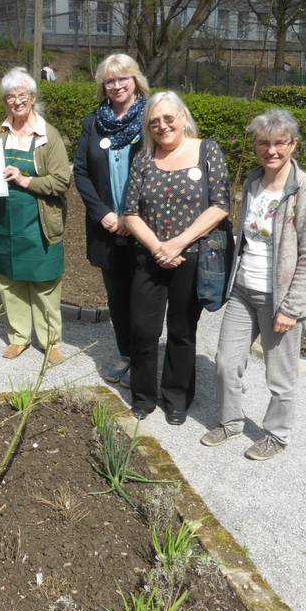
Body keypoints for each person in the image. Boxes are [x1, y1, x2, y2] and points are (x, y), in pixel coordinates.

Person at [201, 109, 306, 460]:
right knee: (226, 363)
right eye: (263, 143)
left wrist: (292, 308)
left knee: (280, 376)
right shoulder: (253, 181)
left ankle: (276, 434)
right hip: (243, 290)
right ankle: (230, 422)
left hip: (280, 298)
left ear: (293, 144)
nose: (271, 150)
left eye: (279, 143)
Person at [124, 91, 229, 425]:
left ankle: (177, 398)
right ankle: (142, 396)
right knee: (143, 329)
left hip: (192, 256)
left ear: (183, 118)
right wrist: (158, 248)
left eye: (169, 118)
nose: (162, 126)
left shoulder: (207, 150)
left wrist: (178, 244)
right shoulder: (143, 157)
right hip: (149, 256)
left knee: (182, 330)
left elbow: (220, 205)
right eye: (154, 122)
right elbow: (130, 212)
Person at [73, 53, 148, 387]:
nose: (117, 85)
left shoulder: (151, 118)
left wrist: (132, 216)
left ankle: (145, 358)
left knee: (144, 296)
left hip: (143, 226)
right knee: (117, 295)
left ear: (135, 81)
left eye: (123, 78)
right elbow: (81, 171)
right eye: (110, 80)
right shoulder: (93, 123)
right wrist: (102, 213)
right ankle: (126, 354)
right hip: (106, 227)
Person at [0, 67, 71, 363]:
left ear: (33, 97)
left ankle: (51, 342)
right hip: (4, 221)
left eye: (22, 95)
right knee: (9, 282)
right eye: (10, 96)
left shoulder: (48, 136)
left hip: (39, 223)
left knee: (44, 283)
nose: (16, 101)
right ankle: (18, 338)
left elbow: (61, 181)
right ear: (5, 101)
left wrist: (25, 180)